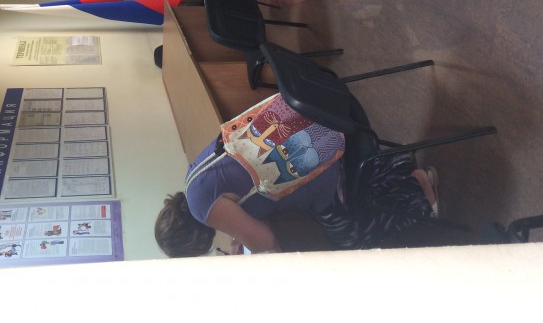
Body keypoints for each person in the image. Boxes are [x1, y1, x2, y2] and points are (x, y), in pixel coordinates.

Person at [154, 93, 438, 257]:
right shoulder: (193, 180)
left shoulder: (205, 210)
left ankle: (418, 192)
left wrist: (258, 251)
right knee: (330, 204)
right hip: (302, 121)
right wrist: (241, 232)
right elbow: (241, 180)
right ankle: (394, 165)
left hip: (315, 161)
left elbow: (266, 243)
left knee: (349, 239)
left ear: (192, 243)